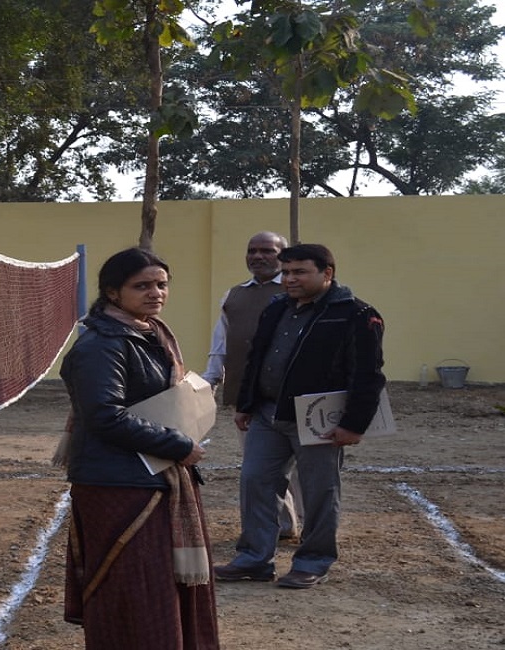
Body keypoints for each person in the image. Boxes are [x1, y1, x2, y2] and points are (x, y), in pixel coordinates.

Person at [59, 247, 219, 649]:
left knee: (158, 587)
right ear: (113, 292)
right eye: (142, 286)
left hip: (157, 475)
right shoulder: (101, 346)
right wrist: (178, 444)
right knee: (135, 589)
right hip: (118, 484)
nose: (155, 293)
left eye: (161, 284)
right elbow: (105, 416)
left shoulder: (152, 335)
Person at [214, 243, 385, 589]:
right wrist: (246, 403)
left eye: (300, 272)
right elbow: (256, 358)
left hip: (317, 420)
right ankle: (254, 559)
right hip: (267, 414)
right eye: (287, 272)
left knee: (319, 491)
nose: (290, 279)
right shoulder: (277, 307)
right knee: (256, 482)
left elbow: (368, 374)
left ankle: (313, 561)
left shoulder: (356, 314)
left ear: (327, 273)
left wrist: (353, 425)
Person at [204, 231, 303, 540]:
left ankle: (313, 527)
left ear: (283, 255)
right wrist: (211, 379)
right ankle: (283, 525)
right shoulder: (233, 296)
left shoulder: (298, 292)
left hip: (295, 395)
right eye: (252, 250)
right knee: (261, 466)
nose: (258, 256)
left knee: (303, 469)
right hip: (248, 397)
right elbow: (222, 342)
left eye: (267, 251)